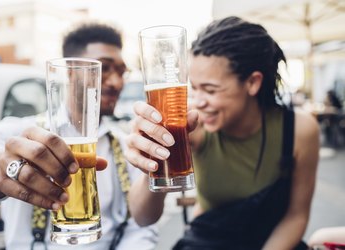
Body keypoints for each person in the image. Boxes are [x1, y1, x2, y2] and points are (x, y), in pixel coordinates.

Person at [125, 16, 319, 249]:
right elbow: (143, 217)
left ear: (253, 82)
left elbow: (295, 217)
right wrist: (152, 164)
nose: (198, 101)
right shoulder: (193, 127)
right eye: (194, 88)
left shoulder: (299, 130)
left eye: (210, 89)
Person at [0, 22, 157, 250]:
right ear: (70, 72)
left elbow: (141, 227)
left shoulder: (123, 142)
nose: (117, 82)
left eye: (121, 71)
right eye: (104, 68)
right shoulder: (22, 131)